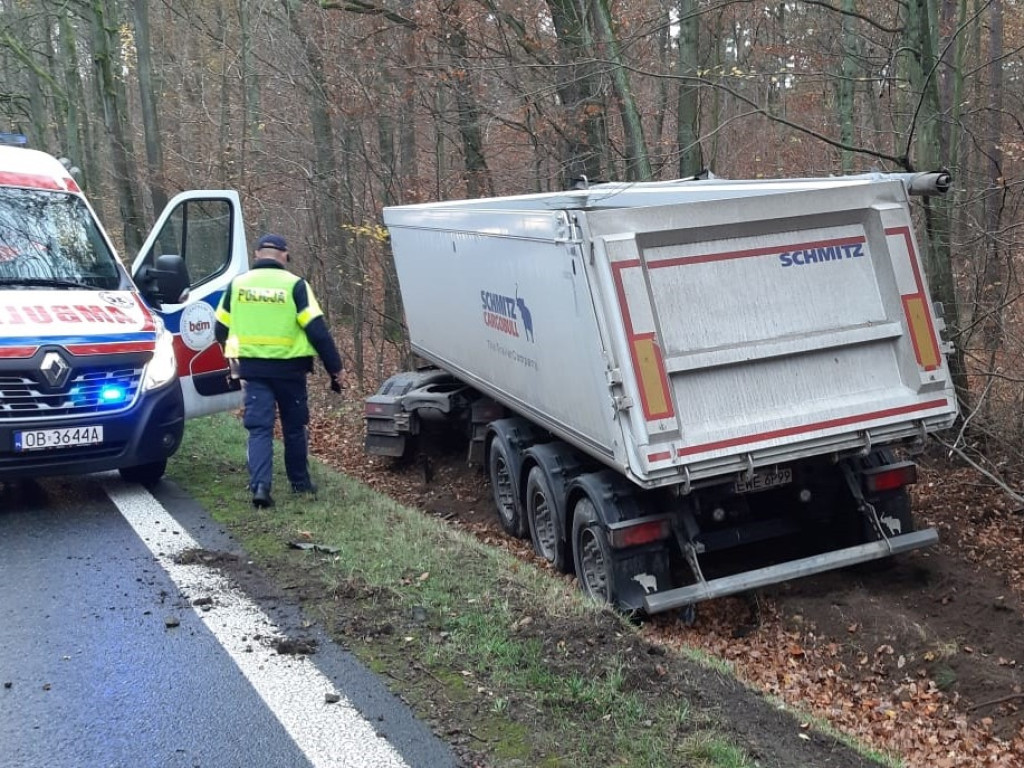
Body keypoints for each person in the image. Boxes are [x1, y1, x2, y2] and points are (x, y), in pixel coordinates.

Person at [214, 233, 343, 508]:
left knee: (259, 429)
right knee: (294, 428)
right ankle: (300, 483)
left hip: (253, 370)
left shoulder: (238, 285)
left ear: (257, 254)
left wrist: (233, 355)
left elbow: (220, 328)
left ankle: (261, 487)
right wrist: (335, 369)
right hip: (290, 371)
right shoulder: (295, 285)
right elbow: (317, 331)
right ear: (285, 255)